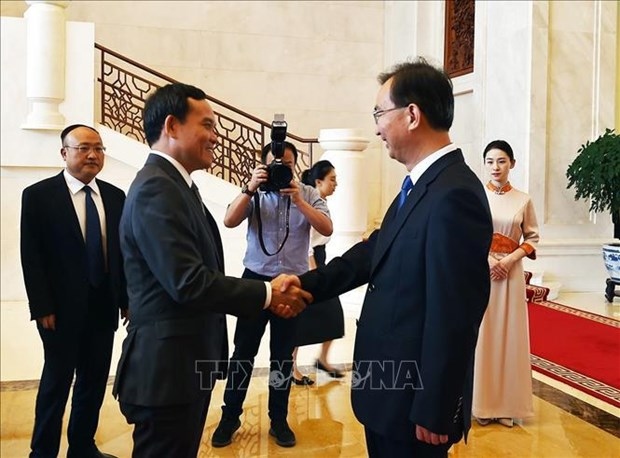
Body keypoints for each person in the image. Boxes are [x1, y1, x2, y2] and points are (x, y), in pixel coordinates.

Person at [279, 57, 493, 457]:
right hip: (389, 396)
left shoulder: (454, 194)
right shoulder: (422, 183)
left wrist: (435, 407)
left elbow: (456, 313)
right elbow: (373, 252)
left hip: (415, 406)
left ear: (412, 115)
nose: (376, 126)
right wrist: (306, 285)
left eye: (380, 113)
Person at [112, 82, 311, 458]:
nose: (216, 137)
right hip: (166, 373)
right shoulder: (159, 188)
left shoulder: (177, 185)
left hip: (180, 369)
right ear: (172, 126)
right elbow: (188, 282)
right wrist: (269, 294)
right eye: (207, 125)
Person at [211, 141, 333, 448]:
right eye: (276, 165)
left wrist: (299, 202)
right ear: (263, 166)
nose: (283, 169)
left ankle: (278, 419)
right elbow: (229, 220)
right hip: (255, 282)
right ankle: (230, 417)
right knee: (243, 354)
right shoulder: (255, 191)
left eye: (288, 164)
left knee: (281, 357)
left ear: (295, 165)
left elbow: (327, 228)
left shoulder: (307, 193)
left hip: (292, 284)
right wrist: (250, 187)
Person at [20, 124, 127, 458]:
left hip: (102, 306)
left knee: (93, 383)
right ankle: (43, 451)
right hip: (59, 311)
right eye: (83, 148)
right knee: (56, 383)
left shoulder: (114, 196)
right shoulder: (38, 195)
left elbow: (121, 254)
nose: (92, 155)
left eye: (98, 148)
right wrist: (41, 306)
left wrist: (126, 300)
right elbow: (31, 256)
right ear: (64, 152)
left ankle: (82, 446)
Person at [473, 140, 540, 428]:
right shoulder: (475, 196)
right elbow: (466, 234)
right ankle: (482, 405)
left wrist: (508, 261)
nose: (495, 167)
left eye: (501, 161)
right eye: (490, 161)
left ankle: (506, 405)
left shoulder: (523, 199)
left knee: (510, 336)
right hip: (481, 272)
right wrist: (490, 261)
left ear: (512, 163)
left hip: (510, 275)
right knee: (484, 336)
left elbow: (532, 239)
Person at [292, 160, 345, 384]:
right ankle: (291, 367)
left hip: (320, 262)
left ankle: (322, 359)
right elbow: (308, 245)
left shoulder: (321, 203)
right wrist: (314, 273)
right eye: (332, 179)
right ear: (318, 182)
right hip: (310, 265)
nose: (336, 184)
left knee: (333, 314)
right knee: (299, 317)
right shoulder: (310, 205)